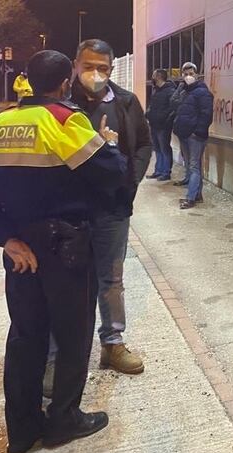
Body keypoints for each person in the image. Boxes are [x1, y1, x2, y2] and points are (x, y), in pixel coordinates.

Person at [0, 50, 127, 453]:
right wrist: (108, 143)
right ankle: (63, 420)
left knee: (25, 336)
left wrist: (6, 238)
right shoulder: (65, 120)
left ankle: (21, 430)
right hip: (65, 247)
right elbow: (112, 173)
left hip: (20, 251)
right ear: (64, 83)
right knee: (73, 336)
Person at [48, 39, 151, 378]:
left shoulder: (125, 102)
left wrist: (130, 182)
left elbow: (144, 144)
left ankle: (113, 343)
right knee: (66, 282)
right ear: (75, 65)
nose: (95, 74)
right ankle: (58, 355)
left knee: (112, 279)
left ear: (111, 69)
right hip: (69, 212)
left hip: (112, 209)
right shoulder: (58, 104)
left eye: (103, 68)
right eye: (89, 66)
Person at [172, 62, 213, 209]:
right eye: (185, 74)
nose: (188, 76)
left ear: (197, 75)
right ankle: (197, 195)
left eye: (191, 74)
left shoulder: (203, 92)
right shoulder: (185, 91)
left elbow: (207, 114)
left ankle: (191, 198)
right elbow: (173, 103)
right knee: (191, 165)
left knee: (194, 166)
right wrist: (180, 87)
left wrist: (198, 131)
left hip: (195, 136)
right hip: (184, 134)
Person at [145, 68, 176, 181]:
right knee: (157, 149)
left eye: (154, 75)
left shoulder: (170, 91)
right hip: (154, 124)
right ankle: (158, 171)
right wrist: (148, 114)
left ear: (159, 77)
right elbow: (152, 106)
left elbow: (172, 108)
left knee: (164, 148)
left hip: (163, 126)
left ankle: (166, 172)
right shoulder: (156, 90)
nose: (152, 77)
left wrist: (164, 119)